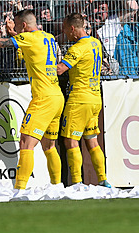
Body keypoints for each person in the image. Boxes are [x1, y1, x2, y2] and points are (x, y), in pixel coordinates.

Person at [0, 10, 64, 190]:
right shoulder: (48, 37)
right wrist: (13, 32)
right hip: (57, 96)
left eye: (18, 26)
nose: (16, 28)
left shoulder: (29, 39)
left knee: (26, 142)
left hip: (43, 98)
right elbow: (28, 43)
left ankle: (19, 190)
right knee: (49, 145)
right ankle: (57, 186)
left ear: (24, 26)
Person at [56, 13, 111, 187]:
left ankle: (77, 182)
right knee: (92, 140)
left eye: (65, 29)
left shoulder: (77, 48)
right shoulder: (95, 43)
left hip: (79, 99)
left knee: (70, 141)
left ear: (72, 29)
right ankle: (103, 179)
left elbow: (60, 70)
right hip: (95, 97)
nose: (65, 33)